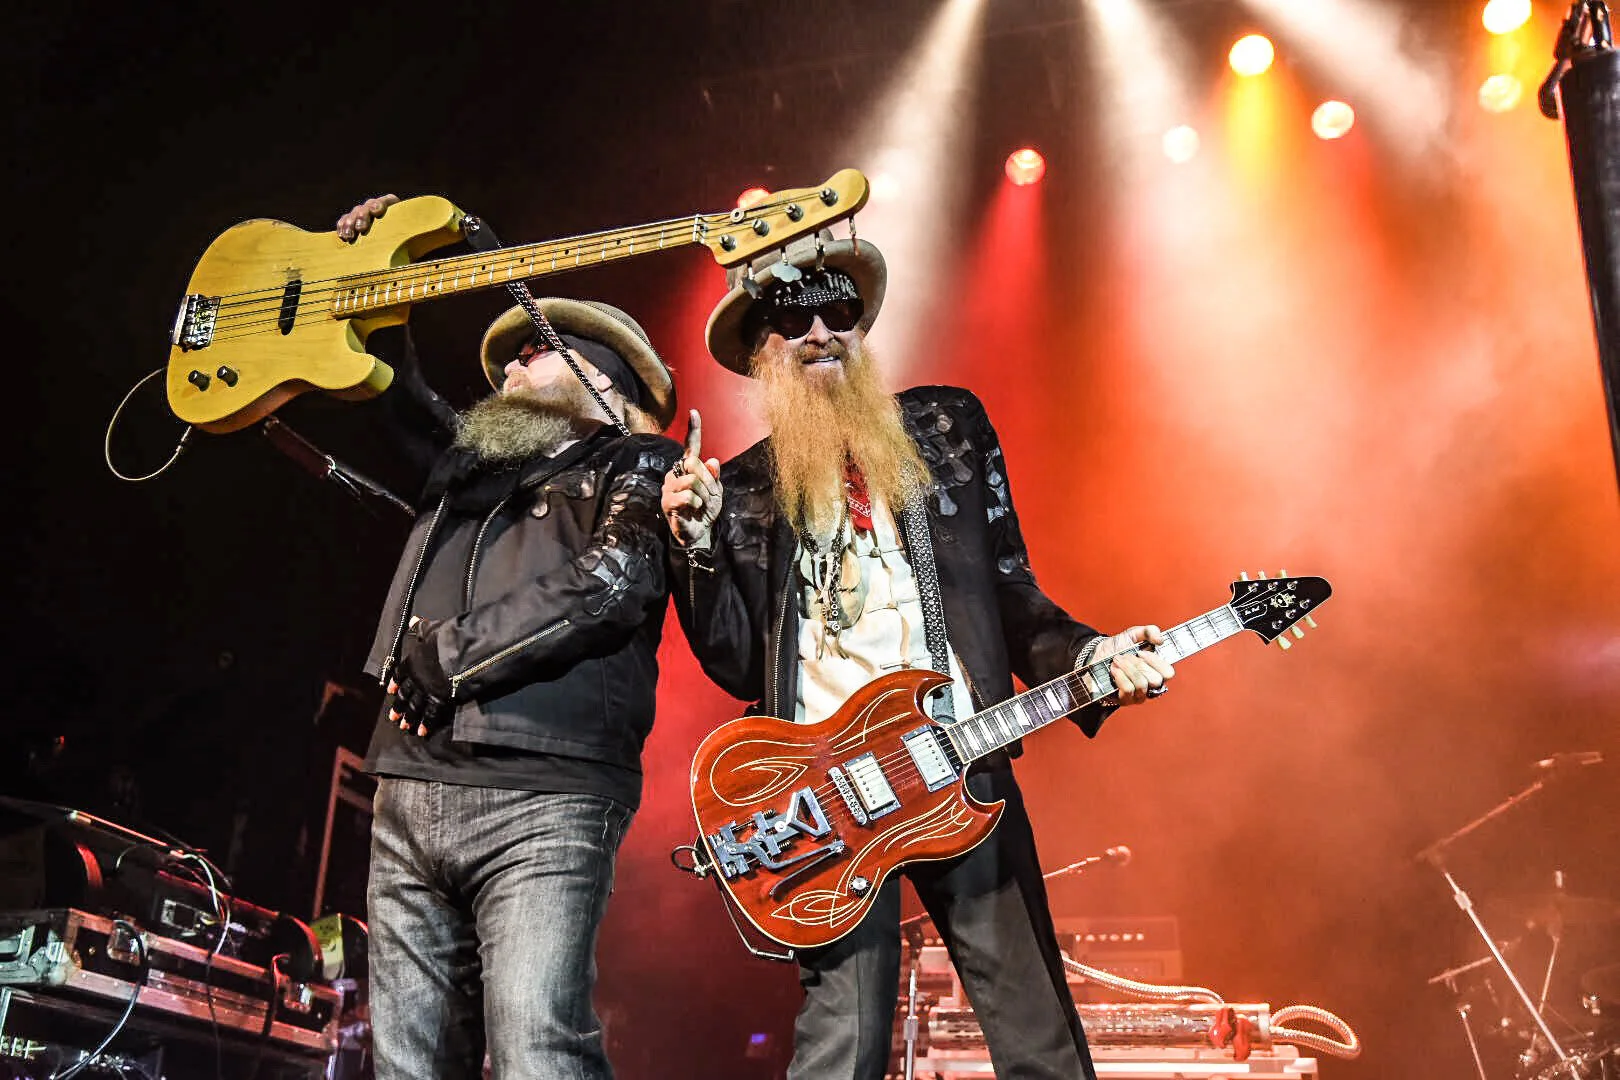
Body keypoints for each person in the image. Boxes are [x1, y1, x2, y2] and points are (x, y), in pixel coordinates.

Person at [660, 229, 1176, 1079]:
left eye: (840, 312)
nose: (821, 332)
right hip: (829, 797)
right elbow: (736, 662)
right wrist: (696, 549)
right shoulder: (744, 488)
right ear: (761, 350)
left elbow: (1009, 590)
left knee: (1036, 1034)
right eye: (794, 318)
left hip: (958, 759)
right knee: (843, 1045)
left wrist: (1092, 654)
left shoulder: (946, 427)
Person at [337, 196, 682, 1079]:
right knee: (407, 1063)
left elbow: (610, 584)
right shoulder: (469, 470)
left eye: (539, 350)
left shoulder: (640, 464)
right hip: (410, 784)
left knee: (536, 1046)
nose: (516, 362)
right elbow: (396, 396)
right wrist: (382, 274)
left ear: (606, 384)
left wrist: (446, 656)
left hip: (546, 793)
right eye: (514, 354)